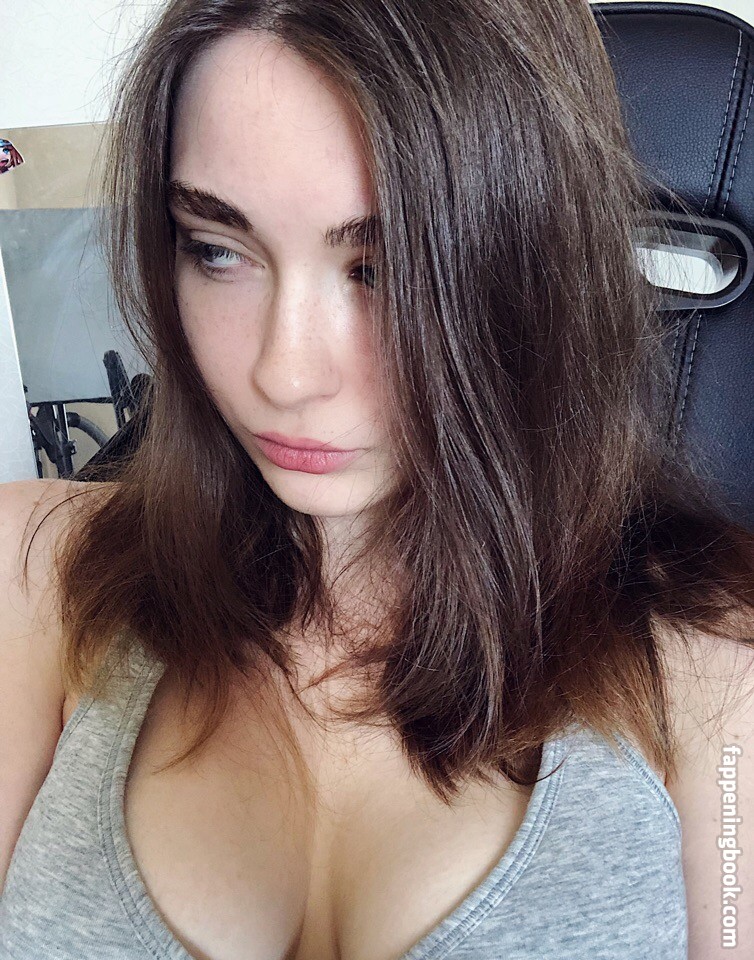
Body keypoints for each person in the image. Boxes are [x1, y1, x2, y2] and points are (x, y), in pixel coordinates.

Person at [1, 1, 753, 958]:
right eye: (219, 250)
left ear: (535, 270)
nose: (284, 374)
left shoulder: (714, 666)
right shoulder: (29, 573)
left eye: (382, 268)